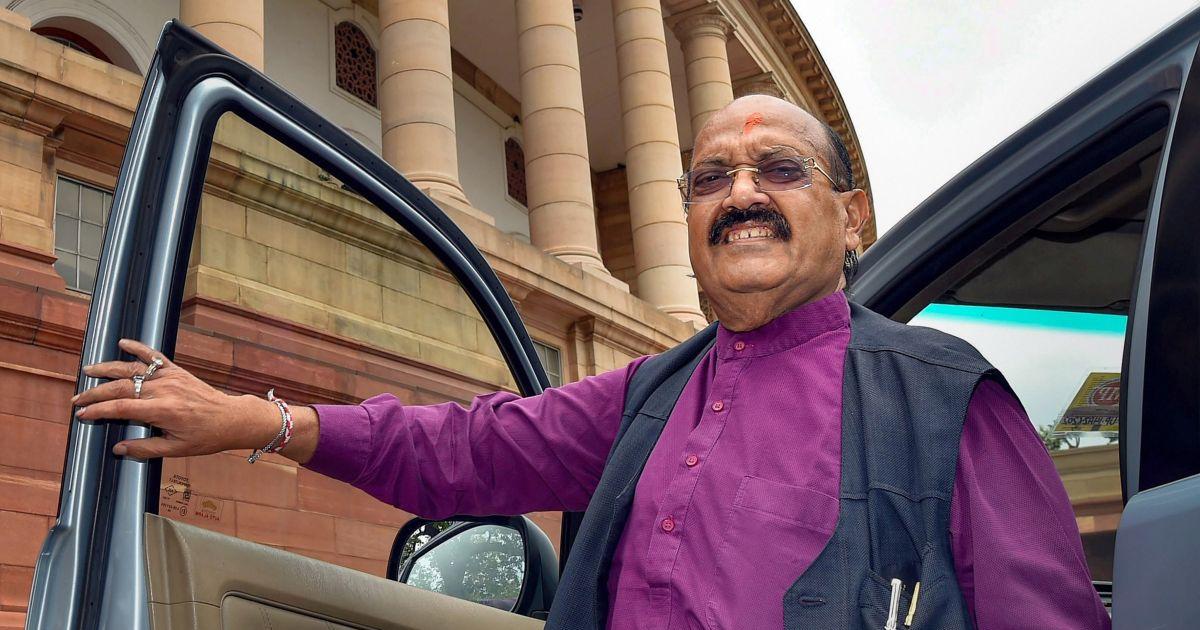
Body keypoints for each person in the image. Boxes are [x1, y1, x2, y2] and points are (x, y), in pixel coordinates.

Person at [72, 95, 1109, 629]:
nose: (742, 194)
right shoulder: (655, 394)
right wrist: (260, 421)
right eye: (711, 178)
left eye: (779, 169)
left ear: (852, 217)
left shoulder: (940, 399)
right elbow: (467, 449)